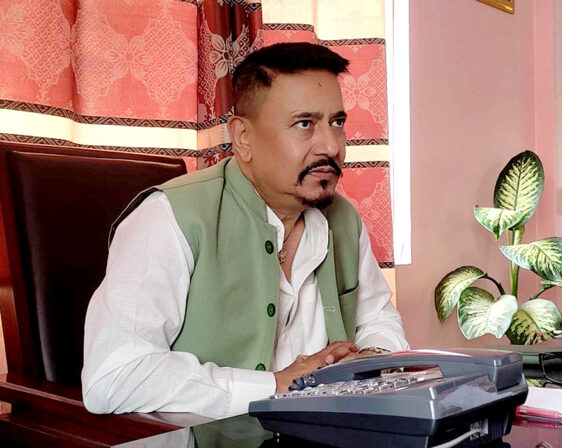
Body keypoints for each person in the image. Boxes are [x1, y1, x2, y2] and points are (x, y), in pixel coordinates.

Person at [81, 42, 409, 419]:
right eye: (305, 124)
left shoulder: (344, 219)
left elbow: (379, 320)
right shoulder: (167, 217)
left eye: (337, 123)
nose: (332, 146)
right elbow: (115, 376)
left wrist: (369, 359)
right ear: (243, 137)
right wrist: (275, 386)